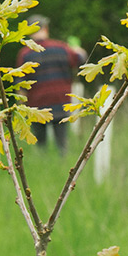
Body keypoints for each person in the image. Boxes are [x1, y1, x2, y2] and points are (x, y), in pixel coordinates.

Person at [16, 15, 87, 154]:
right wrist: (79, 49)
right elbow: (81, 60)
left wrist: (21, 107)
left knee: (40, 145)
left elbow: (20, 84)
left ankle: (42, 166)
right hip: (61, 101)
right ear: (46, 29)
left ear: (30, 32)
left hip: (37, 105)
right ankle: (64, 167)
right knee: (62, 144)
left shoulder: (25, 54)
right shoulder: (62, 48)